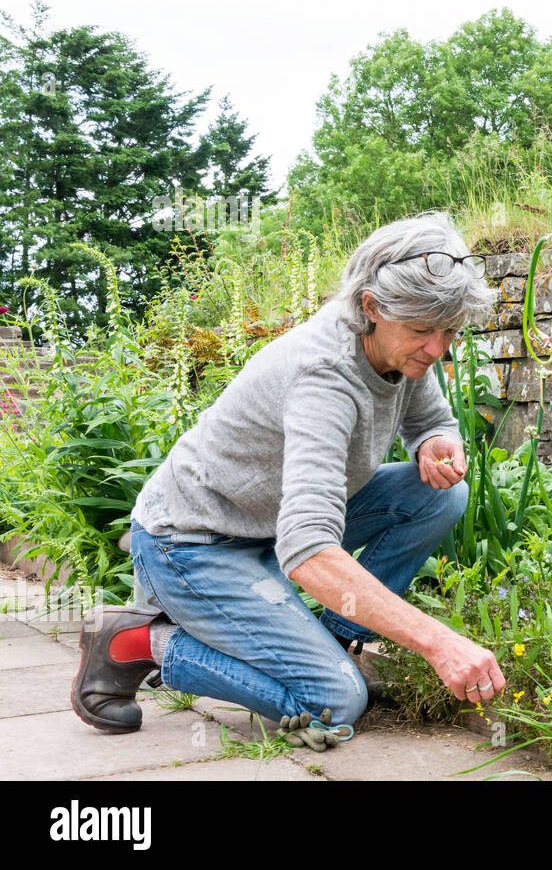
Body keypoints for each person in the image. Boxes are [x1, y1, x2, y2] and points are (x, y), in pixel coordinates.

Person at [71, 213, 506, 736]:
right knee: (335, 703)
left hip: (269, 526)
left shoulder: (400, 346)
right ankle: (136, 640)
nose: (438, 349)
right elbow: (308, 550)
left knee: (438, 498)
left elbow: (430, 419)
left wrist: (435, 441)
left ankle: (334, 640)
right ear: (371, 307)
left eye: (449, 331)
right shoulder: (322, 379)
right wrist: (440, 642)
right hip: (193, 544)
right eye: (421, 331)